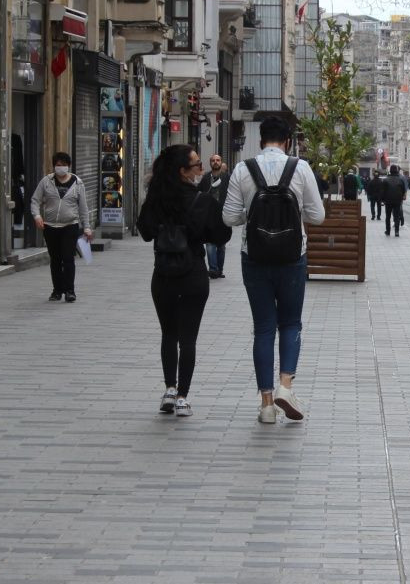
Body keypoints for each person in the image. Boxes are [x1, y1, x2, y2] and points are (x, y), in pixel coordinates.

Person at [222, 117, 325, 424]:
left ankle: (267, 404)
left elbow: (229, 217)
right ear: (288, 141)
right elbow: (317, 216)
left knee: (264, 328)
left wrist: (252, 213)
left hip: (254, 257)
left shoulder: (243, 169)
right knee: (291, 323)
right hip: (293, 256)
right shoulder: (301, 168)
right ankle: (286, 386)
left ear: (260, 140)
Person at [137, 145, 233, 417]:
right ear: (182, 171)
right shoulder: (203, 200)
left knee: (168, 333)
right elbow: (221, 236)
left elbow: (144, 231)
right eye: (197, 164)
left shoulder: (156, 199)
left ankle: (169, 388)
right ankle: (182, 397)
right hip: (193, 275)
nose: (201, 168)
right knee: (188, 338)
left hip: (163, 274)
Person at [30, 151, 93, 303]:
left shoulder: (78, 183)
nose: (61, 168)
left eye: (64, 165)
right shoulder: (46, 181)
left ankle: (70, 291)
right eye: (58, 165)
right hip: (50, 227)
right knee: (55, 260)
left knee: (68, 258)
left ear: (69, 166)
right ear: (54, 166)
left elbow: (83, 207)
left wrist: (87, 227)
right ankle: (57, 290)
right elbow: (35, 200)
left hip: (70, 225)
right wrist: (37, 216)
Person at [198, 154, 230, 279]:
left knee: (221, 244)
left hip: (222, 214)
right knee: (210, 243)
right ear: (210, 163)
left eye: (218, 160)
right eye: (213, 160)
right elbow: (199, 193)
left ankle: (219, 269)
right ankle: (213, 269)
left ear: (221, 162)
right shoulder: (205, 178)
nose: (215, 162)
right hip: (208, 215)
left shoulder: (227, 177)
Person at [383, 164, 406, 236]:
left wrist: (383, 200)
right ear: (396, 171)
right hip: (397, 200)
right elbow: (403, 190)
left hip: (388, 200)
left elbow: (383, 191)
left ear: (390, 171)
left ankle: (388, 231)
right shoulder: (400, 180)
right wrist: (401, 197)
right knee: (396, 216)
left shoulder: (386, 180)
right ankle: (397, 231)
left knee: (388, 216)